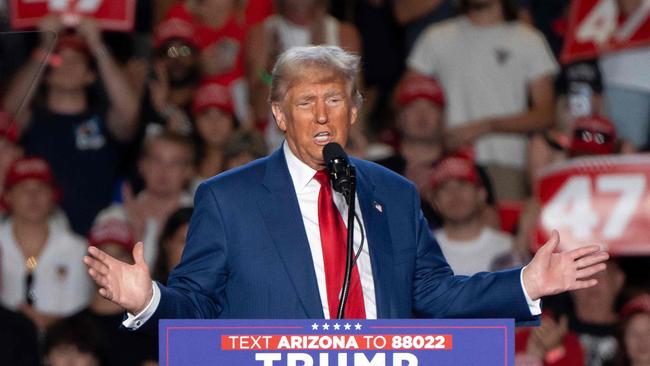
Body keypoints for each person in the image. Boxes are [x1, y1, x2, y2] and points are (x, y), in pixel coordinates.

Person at [84, 45, 608, 330]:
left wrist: (526, 285)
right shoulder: (227, 198)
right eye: (305, 101)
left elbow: (434, 294)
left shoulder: (396, 194)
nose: (321, 115)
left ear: (354, 111)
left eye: (334, 100)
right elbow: (197, 305)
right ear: (279, 116)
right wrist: (149, 299)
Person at [406, 0, 558, 201]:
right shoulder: (437, 37)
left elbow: (546, 114)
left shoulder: (529, 39)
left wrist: (486, 126)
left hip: (506, 162)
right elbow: (404, 99)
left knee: (504, 230)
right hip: (446, 163)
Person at [2, 16, 139, 235]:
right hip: (42, 241)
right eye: (59, 59)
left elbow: (130, 112)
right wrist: (45, 47)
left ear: (90, 75)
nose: (68, 65)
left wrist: (97, 46)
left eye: (77, 60)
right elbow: (8, 112)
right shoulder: (33, 119)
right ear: (46, 75)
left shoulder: (104, 120)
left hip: (102, 238)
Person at [0, 157, 92, 329]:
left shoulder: (77, 249)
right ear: (8, 196)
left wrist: (50, 324)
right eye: (24, 189)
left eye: (41, 188)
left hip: (63, 345)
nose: (33, 196)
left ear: (53, 195)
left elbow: (83, 311)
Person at [96, 132, 194, 267]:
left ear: (188, 171)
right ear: (142, 165)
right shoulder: (115, 218)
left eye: (175, 163)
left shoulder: (200, 219)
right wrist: (135, 240)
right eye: (156, 160)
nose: (163, 170)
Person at [70, 217, 157, 366]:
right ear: (87, 263)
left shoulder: (152, 329)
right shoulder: (69, 330)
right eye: (102, 255)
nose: (111, 264)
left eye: (119, 255)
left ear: (133, 264)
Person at [427, 155, 517, 275]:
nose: (455, 194)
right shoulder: (426, 250)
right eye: (444, 188)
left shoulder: (507, 247)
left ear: (481, 194)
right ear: (435, 201)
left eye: (462, 184)